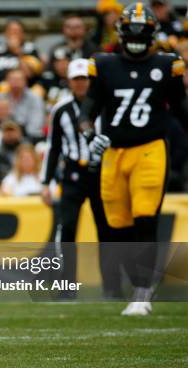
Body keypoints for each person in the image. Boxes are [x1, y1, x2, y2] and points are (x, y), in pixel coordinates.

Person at [79, 3, 186, 315]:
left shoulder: (168, 64)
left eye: (143, 31)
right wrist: (89, 134)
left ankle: (141, 291)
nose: (137, 37)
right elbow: (88, 110)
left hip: (150, 148)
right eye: (133, 30)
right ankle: (141, 283)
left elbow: (181, 109)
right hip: (114, 152)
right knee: (117, 225)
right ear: (121, 33)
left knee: (144, 216)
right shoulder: (104, 63)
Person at [41, 58, 119, 299]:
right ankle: (66, 288)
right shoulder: (61, 109)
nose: (80, 84)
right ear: (70, 82)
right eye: (76, 79)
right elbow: (53, 147)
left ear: (91, 80)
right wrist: (45, 182)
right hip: (73, 173)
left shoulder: (107, 106)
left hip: (103, 172)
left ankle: (112, 287)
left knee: (106, 231)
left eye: (84, 79)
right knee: (68, 230)